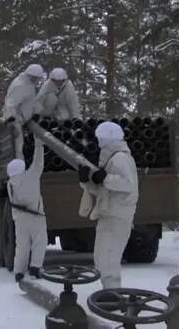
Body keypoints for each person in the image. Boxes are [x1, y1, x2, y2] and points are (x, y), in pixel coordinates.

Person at [78, 122, 138, 289]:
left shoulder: (120, 158)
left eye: (100, 138)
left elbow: (127, 184)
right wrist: (86, 181)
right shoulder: (111, 158)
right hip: (108, 214)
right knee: (102, 258)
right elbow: (103, 191)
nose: (98, 142)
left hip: (118, 216)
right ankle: (108, 293)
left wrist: (105, 178)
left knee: (109, 259)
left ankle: (113, 295)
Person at [6, 135, 47, 282]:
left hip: (20, 218)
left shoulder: (10, 184)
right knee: (40, 241)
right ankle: (35, 268)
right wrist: (39, 143)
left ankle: (19, 272)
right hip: (36, 216)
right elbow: (38, 161)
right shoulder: (32, 176)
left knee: (22, 245)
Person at [3, 64, 45, 158]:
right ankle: (18, 169)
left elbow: (30, 101)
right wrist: (12, 123)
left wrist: (37, 112)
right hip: (15, 121)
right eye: (37, 78)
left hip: (22, 119)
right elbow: (10, 105)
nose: (38, 81)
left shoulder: (28, 84)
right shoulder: (20, 85)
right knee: (17, 148)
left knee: (20, 147)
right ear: (32, 76)